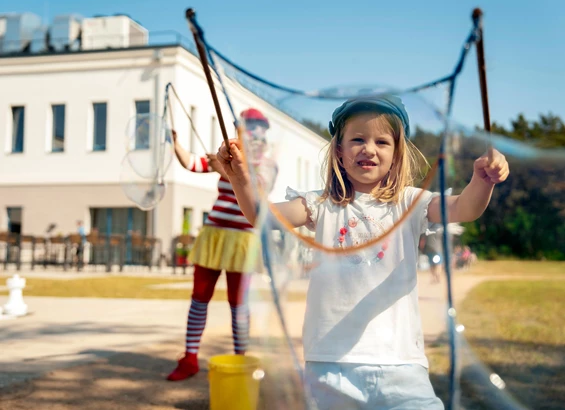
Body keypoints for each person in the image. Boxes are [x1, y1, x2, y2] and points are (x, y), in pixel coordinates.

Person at [218, 95, 509, 409]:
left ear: (397, 154)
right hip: (330, 365)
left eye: (382, 141)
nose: (369, 148)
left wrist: (482, 180)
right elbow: (263, 215)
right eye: (358, 139)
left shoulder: (411, 202)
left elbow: (464, 208)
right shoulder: (320, 204)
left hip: (402, 364)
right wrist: (239, 178)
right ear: (340, 152)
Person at [166, 108, 274, 381]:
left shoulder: (265, 162)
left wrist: (224, 170)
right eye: (246, 127)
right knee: (199, 298)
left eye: (255, 129)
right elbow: (192, 163)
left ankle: (241, 360)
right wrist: (176, 144)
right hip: (214, 236)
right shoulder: (228, 155)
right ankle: (189, 357)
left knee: (239, 304)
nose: (251, 134)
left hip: (242, 239)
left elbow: (256, 186)